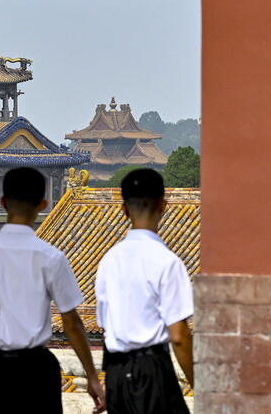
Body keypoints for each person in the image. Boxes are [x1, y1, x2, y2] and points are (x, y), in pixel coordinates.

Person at [0, 166, 105, 414]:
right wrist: (92, 377)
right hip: (37, 366)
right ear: (44, 204)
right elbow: (72, 323)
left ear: (2, 202)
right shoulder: (51, 257)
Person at [94, 167, 194, 414]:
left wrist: (111, 383)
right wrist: (200, 384)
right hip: (152, 370)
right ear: (163, 205)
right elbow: (179, 336)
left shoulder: (108, 260)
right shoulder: (167, 262)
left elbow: (106, 326)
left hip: (117, 375)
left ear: (123, 208)